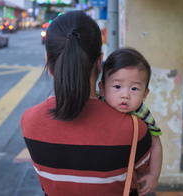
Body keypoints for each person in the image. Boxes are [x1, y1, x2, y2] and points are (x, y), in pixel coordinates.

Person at [21, 11, 152, 196]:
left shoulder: (29, 121)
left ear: (48, 65)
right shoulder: (135, 129)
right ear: (100, 62)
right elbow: (141, 176)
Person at [98, 47, 163, 194]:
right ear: (102, 88)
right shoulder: (95, 103)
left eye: (134, 89)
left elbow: (156, 145)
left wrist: (154, 175)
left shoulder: (143, 113)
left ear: (145, 94)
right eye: (117, 86)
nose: (125, 95)